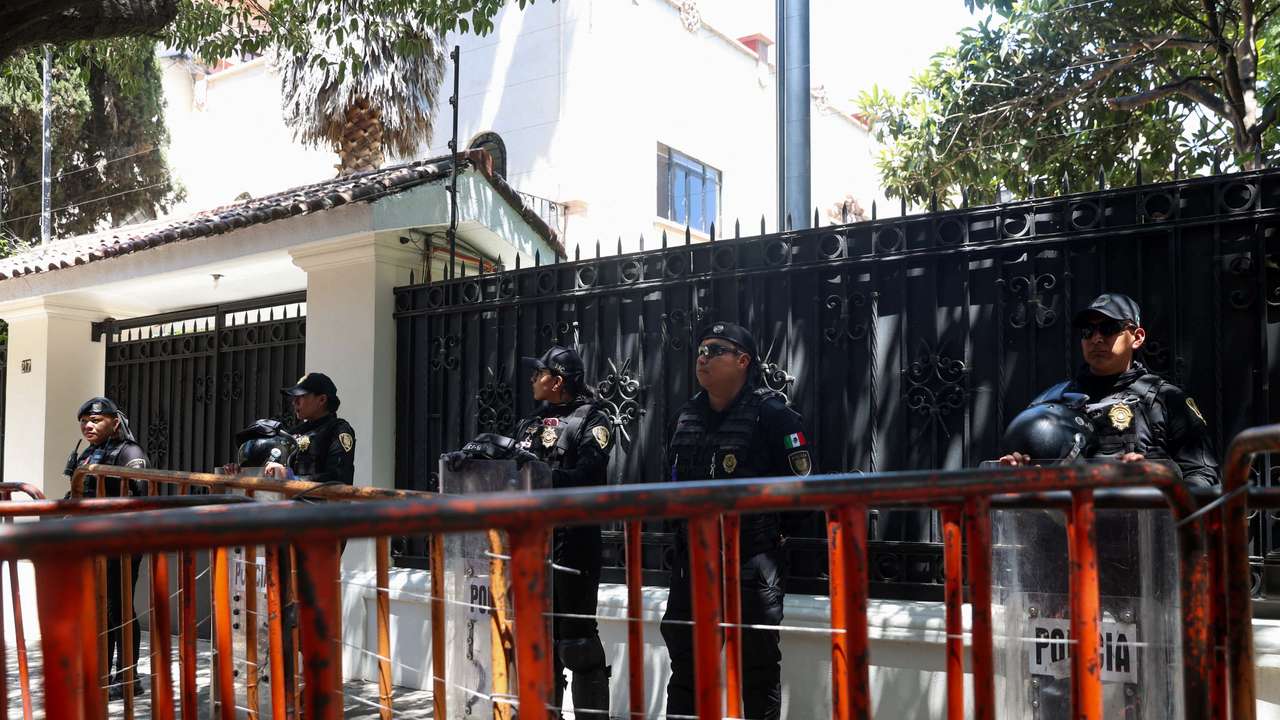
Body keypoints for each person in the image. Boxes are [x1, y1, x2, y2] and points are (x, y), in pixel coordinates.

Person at [661, 322, 814, 720]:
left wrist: (769, 537)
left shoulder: (773, 416)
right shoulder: (686, 415)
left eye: (715, 349)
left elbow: (803, 494)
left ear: (743, 361)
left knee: (758, 671)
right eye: (700, 349)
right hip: (693, 564)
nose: (703, 356)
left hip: (750, 564)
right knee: (688, 670)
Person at [998, 292, 1219, 486]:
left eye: (1109, 328)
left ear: (1137, 337)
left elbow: (1203, 476)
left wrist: (1159, 480)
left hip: (1145, 530)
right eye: (1088, 331)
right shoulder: (1052, 402)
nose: (1096, 338)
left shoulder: (1166, 400)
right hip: (1070, 530)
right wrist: (1018, 473)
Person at [512, 345, 615, 717]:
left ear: (557, 381)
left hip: (573, 544)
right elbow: (511, 469)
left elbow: (589, 476)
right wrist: (477, 456)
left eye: (538, 373)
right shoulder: (530, 423)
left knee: (576, 643)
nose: (531, 379)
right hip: (532, 546)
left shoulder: (593, 421)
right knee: (538, 641)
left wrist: (543, 477)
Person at [64, 396, 148, 699]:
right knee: (99, 609)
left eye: (96, 420)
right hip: (91, 542)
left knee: (119, 608)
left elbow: (141, 497)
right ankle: (102, 673)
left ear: (114, 421)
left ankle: (128, 676)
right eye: (85, 420)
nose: (88, 425)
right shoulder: (87, 453)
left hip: (120, 541)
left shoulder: (130, 452)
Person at [224, 372, 355, 484]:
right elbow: (268, 472)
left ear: (322, 399)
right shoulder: (294, 432)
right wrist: (241, 472)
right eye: (294, 397)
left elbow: (338, 479)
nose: (294, 402)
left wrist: (291, 478)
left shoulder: (338, 430)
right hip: (287, 508)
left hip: (320, 511)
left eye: (301, 396)